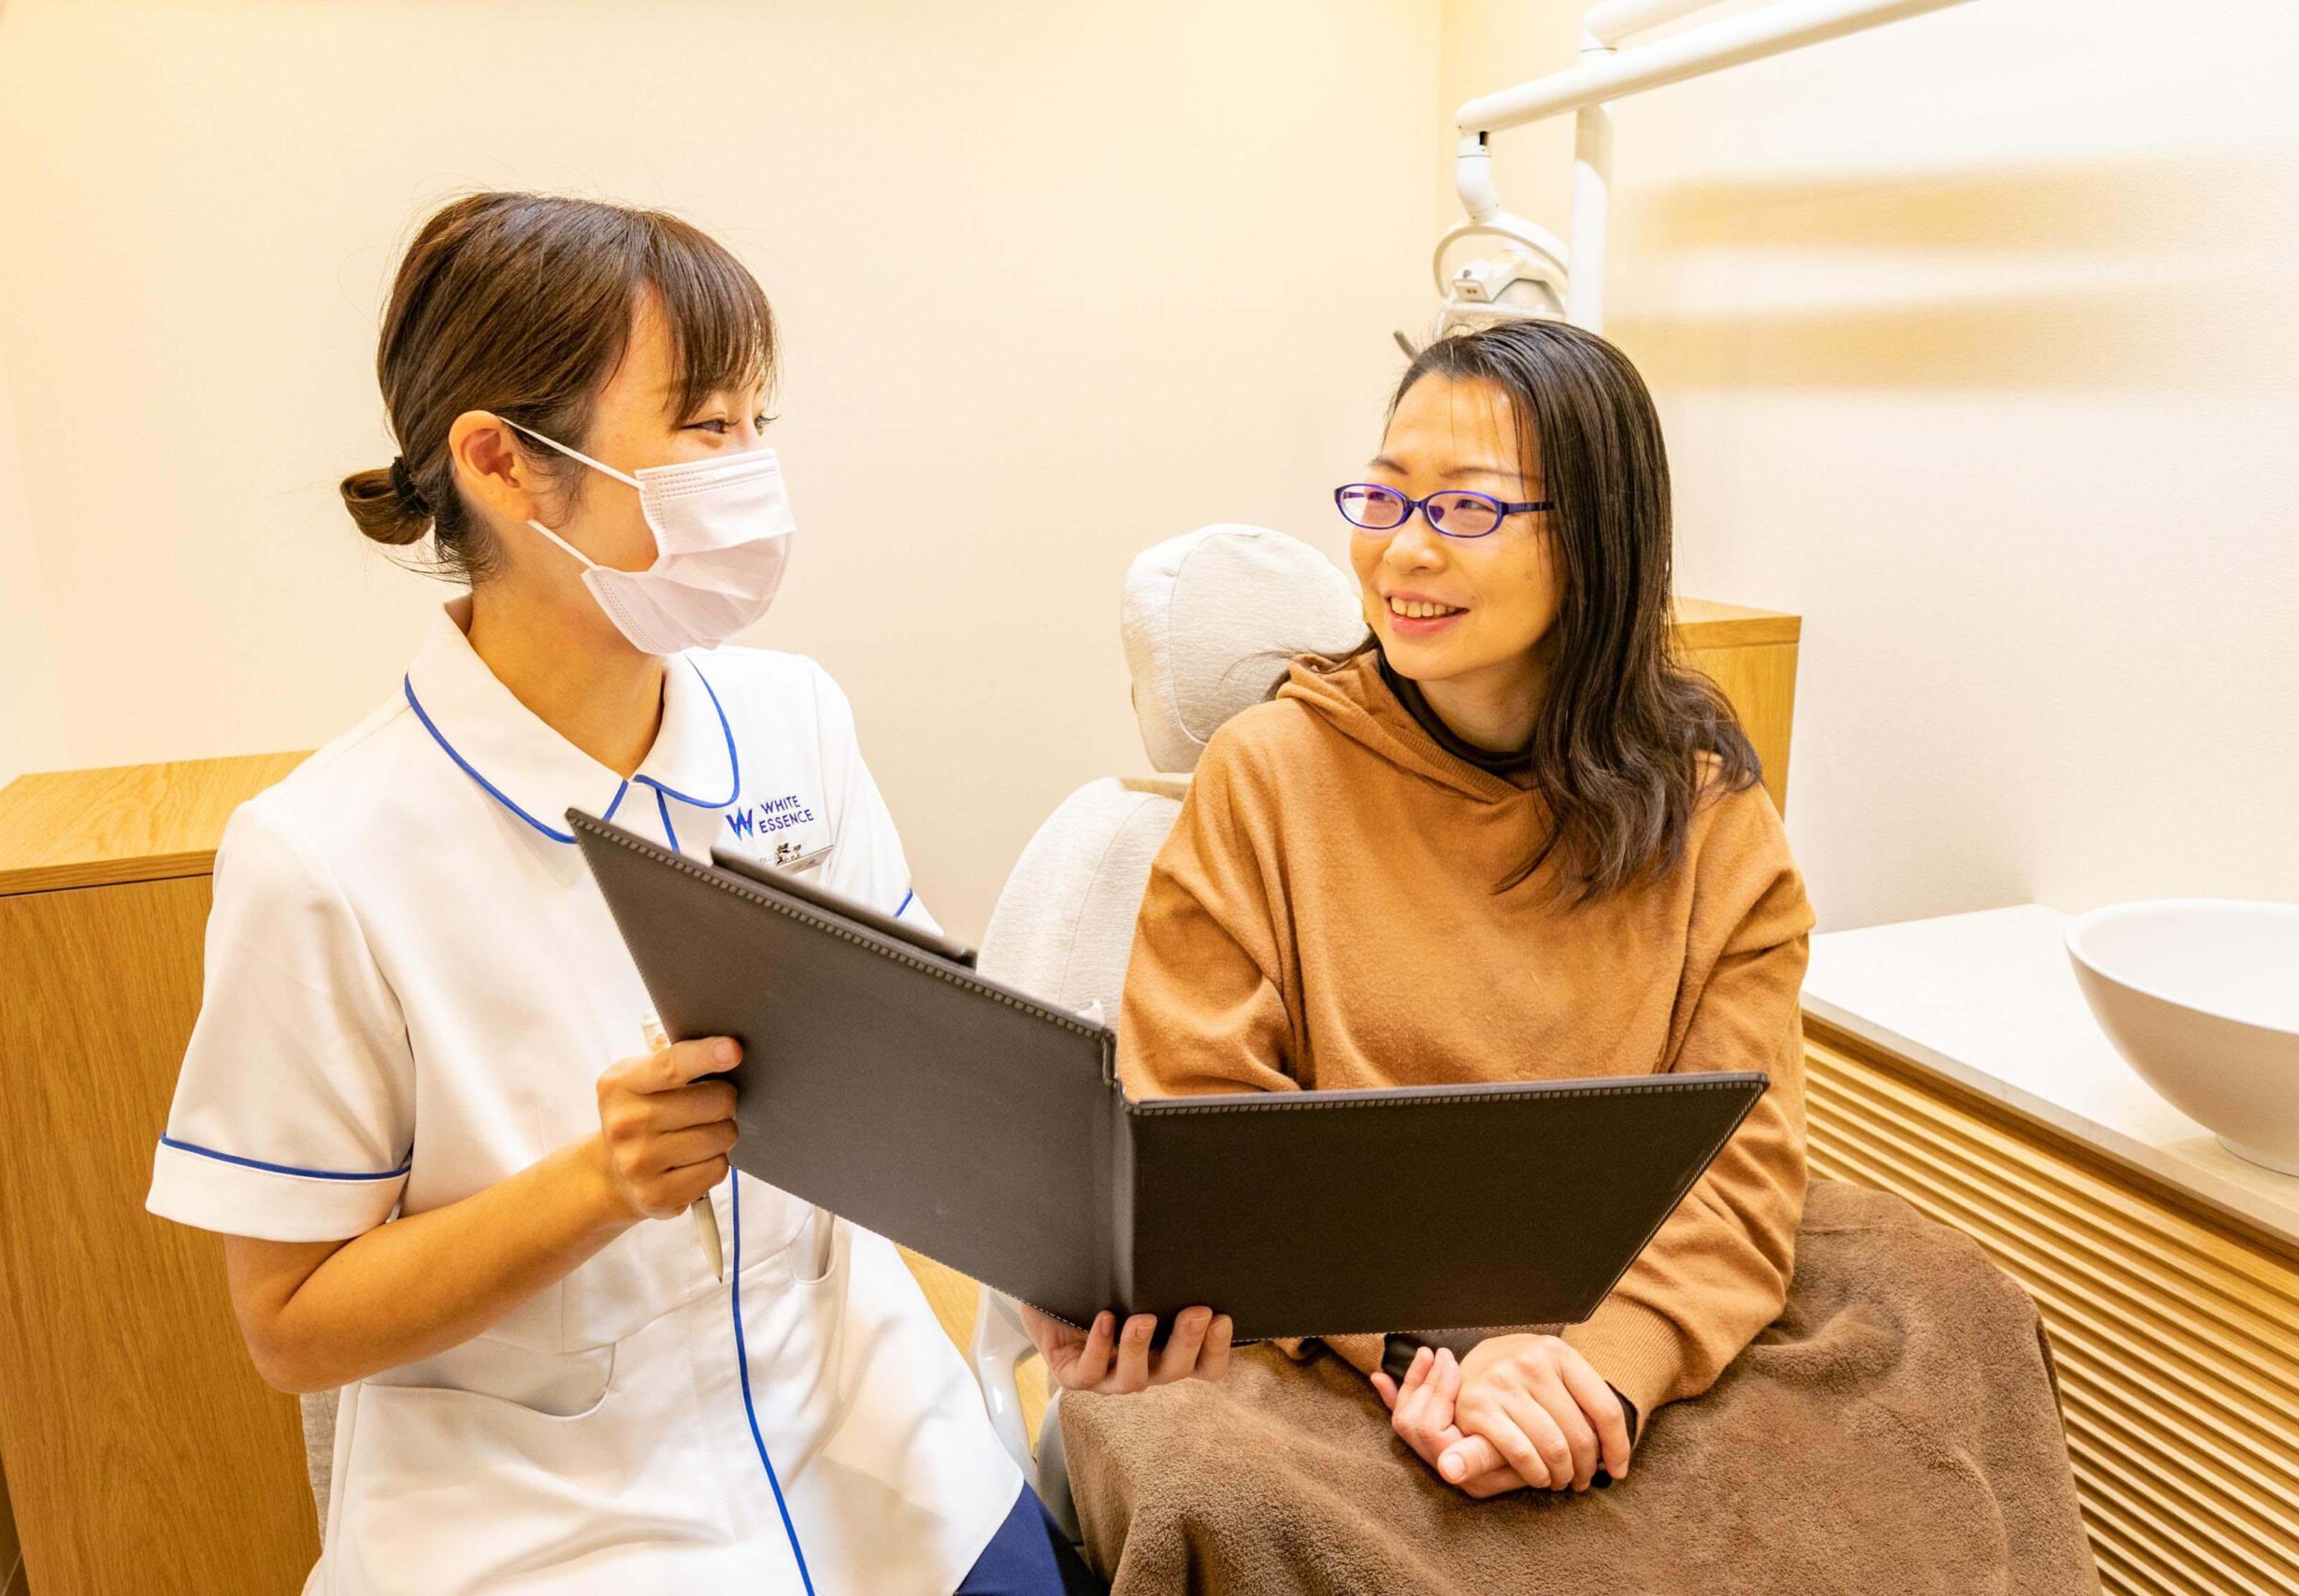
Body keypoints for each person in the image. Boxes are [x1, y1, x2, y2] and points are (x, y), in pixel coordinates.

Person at [145, 191, 1208, 1594]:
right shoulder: (324, 853)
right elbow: (290, 1323)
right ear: (504, 466)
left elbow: (920, 1088)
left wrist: (1069, 1290)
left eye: (760, 422)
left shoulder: (792, 723)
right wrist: (598, 1182)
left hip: (882, 1454)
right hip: (557, 1525)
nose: (752, 469)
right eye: (705, 428)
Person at [1114, 318, 1814, 1501]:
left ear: (1599, 541)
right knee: (1190, 1472)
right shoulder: (1271, 772)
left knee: (1950, 1322)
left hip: (1607, 1336)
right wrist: (1438, 1355)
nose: (1402, 554)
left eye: (1468, 509)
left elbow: (1739, 1169)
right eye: (1382, 500)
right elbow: (1200, 1133)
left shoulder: (1710, 814)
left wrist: (1592, 1371)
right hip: (1336, 1334)